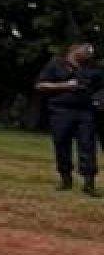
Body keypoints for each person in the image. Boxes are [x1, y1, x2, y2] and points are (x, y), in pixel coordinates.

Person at [35, 42, 102, 195]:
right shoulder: (55, 65)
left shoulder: (93, 68)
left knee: (87, 145)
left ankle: (89, 183)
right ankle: (66, 178)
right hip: (61, 111)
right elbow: (40, 85)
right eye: (86, 51)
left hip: (85, 112)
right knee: (61, 143)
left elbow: (100, 87)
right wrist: (65, 85)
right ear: (74, 50)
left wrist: (98, 100)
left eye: (90, 53)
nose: (89, 55)